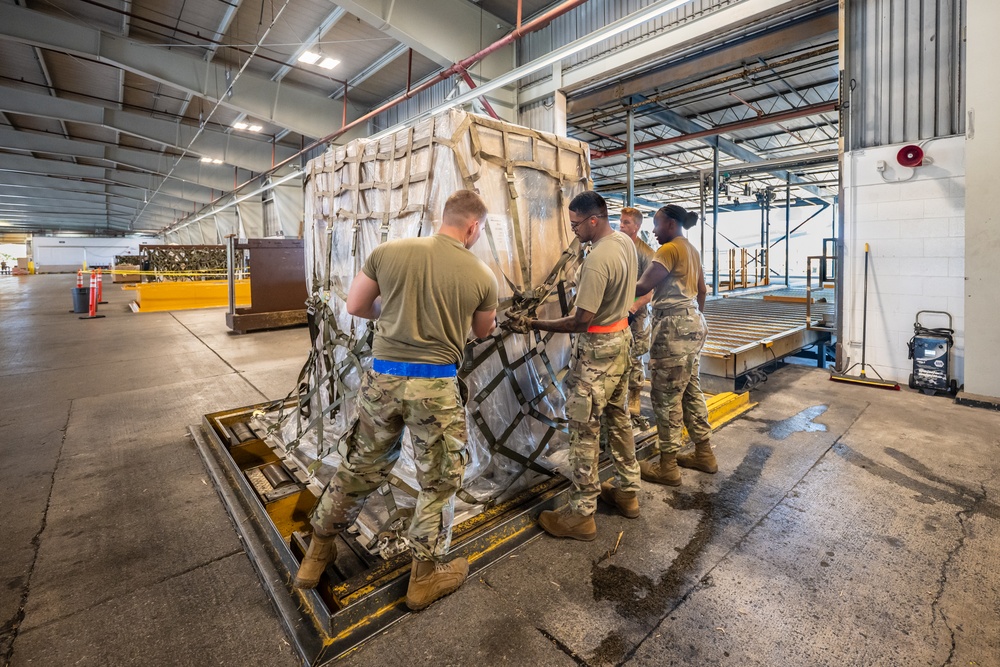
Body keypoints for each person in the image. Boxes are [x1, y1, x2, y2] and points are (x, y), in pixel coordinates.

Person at [294, 190, 499, 612]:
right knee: (439, 480)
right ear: (473, 227)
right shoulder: (481, 274)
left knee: (359, 465)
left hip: (383, 379)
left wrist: (397, 313)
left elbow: (355, 305)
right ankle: (424, 578)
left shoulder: (388, 251)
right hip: (435, 388)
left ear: (444, 216)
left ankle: (316, 556)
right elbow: (482, 332)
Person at [505, 191, 641, 539]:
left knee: (584, 430)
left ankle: (582, 514)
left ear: (593, 219)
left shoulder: (597, 260)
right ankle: (627, 493)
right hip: (622, 341)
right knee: (618, 416)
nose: (574, 231)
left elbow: (581, 321)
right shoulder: (624, 242)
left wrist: (533, 324)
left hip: (596, 350)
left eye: (576, 224)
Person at [634, 204, 716, 486]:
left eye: (656, 225)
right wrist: (693, 317)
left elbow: (642, 286)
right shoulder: (691, 249)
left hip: (673, 328)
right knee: (690, 389)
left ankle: (668, 466)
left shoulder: (668, 250)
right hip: (693, 322)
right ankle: (704, 453)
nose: (653, 232)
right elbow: (702, 290)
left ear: (669, 224)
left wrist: (607, 286)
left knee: (666, 397)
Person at [618, 207, 655, 428]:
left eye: (626, 223)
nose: (621, 226)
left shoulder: (646, 253)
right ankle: (620, 407)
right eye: (620, 222)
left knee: (634, 361)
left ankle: (634, 405)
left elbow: (649, 293)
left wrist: (631, 309)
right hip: (620, 312)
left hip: (636, 316)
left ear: (637, 227)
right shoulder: (618, 248)